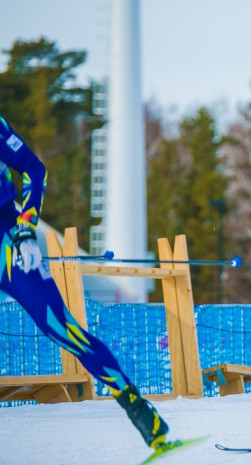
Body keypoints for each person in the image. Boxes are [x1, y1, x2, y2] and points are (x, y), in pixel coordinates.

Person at [0, 114, 170, 448]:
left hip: (8, 243)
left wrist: (26, 227)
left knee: (64, 331)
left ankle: (138, 409)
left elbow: (35, 170)